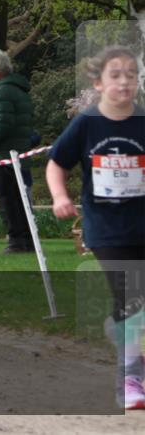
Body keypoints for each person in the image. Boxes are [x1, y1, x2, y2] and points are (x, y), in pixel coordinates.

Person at [46, 45, 144, 410]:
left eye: (130, 75)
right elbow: (57, 163)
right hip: (106, 230)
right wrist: (58, 196)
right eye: (115, 75)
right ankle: (131, 378)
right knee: (131, 299)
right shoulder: (87, 123)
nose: (124, 83)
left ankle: (123, 334)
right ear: (98, 82)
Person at [0, 49, 36, 253]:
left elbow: (3, 124)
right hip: (19, 152)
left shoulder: (2, 92)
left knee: (7, 199)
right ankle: (27, 240)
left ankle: (16, 240)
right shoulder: (19, 90)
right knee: (20, 200)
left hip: (4, 155)